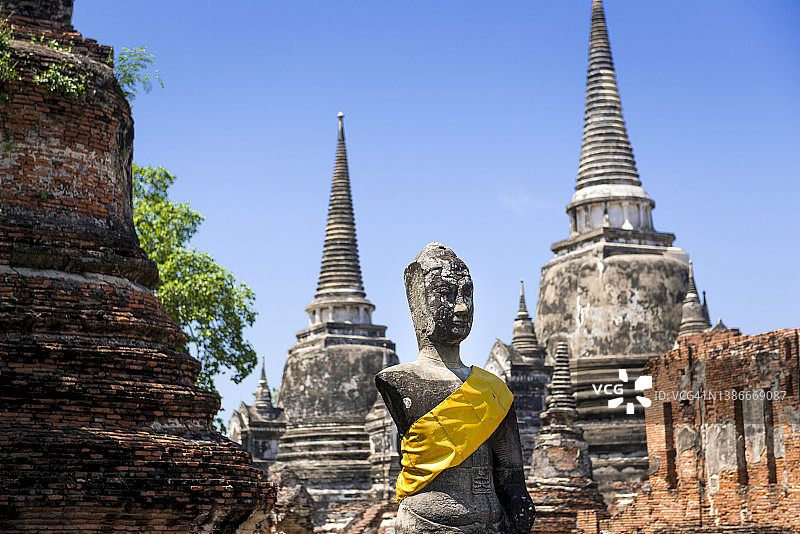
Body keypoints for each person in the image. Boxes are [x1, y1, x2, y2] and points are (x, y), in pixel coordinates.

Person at [376, 242, 535, 534]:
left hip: (491, 523)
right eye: (446, 295)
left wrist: (520, 511)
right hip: (428, 523)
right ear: (419, 300)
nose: (461, 307)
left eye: (467, 293)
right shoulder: (398, 381)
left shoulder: (493, 389)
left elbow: (512, 480)